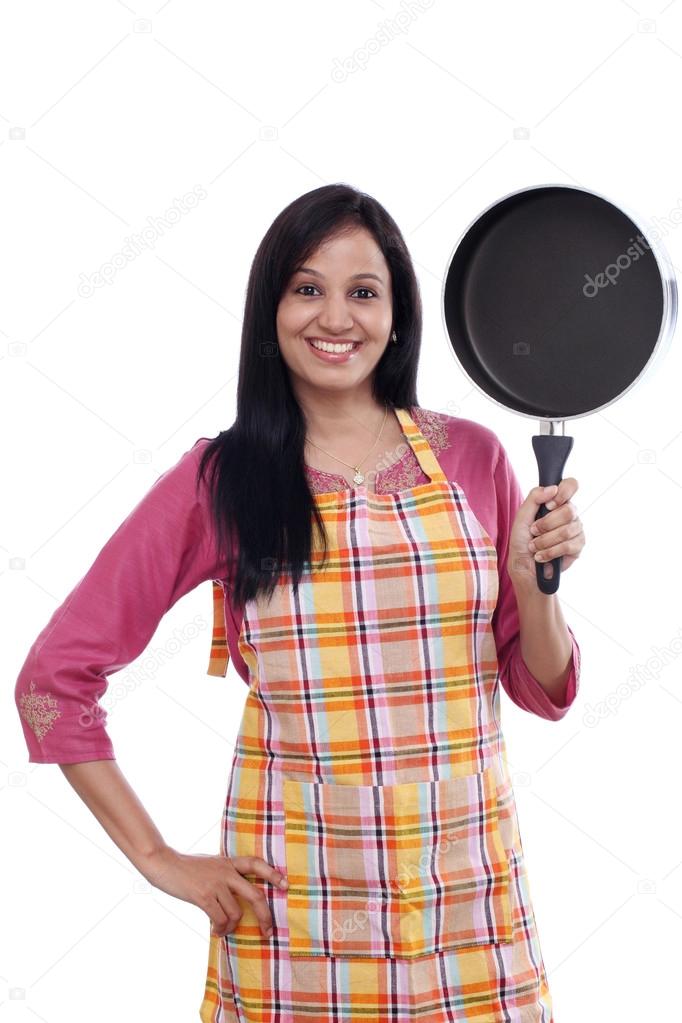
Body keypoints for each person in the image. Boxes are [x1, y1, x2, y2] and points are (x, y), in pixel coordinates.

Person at [15, 183, 585, 1022]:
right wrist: (158, 857)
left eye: (364, 292)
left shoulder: (474, 457)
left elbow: (541, 686)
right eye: (307, 288)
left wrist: (535, 576)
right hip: (296, 909)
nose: (336, 318)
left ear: (398, 313)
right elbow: (51, 681)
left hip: (466, 896)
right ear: (270, 307)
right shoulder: (221, 480)